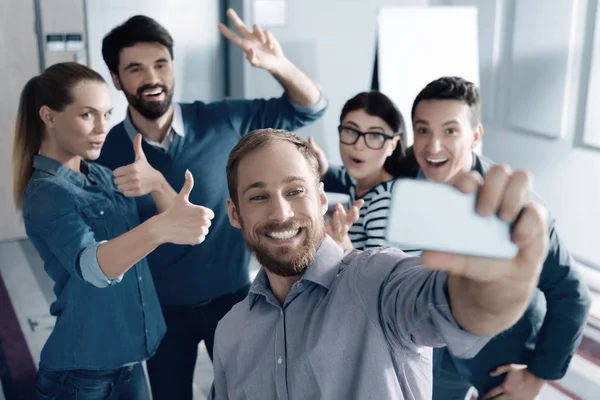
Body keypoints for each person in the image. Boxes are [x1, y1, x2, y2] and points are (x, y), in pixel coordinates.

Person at [208, 128, 549, 400]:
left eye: (295, 191)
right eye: (258, 196)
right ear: (235, 213)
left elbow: (459, 308)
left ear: (322, 199)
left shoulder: (376, 279)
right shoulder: (228, 332)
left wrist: (498, 284)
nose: (280, 212)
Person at [95, 9, 327, 399]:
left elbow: (309, 107)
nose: (152, 78)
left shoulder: (223, 120)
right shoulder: (104, 153)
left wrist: (279, 65)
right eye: (135, 69)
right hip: (160, 311)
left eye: (161, 64)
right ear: (117, 79)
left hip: (234, 299)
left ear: (172, 67)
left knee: (248, 392)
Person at [12, 62, 213, 400]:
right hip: (79, 376)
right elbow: (93, 266)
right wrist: (159, 228)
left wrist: (157, 184)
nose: (102, 128)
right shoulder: (46, 193)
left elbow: (176, 223)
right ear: (49, 117)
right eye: (87, 115)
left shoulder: (104, 176)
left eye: (107, 114)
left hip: (129, 364)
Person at [396, 76, 590, 400]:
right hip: (433, 355)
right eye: (423, 130)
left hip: (501, 353)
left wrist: (537, 376)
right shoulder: (399, 183)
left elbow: (572, 293)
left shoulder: (521, 210)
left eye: (450, 130)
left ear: (475, 135)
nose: (433, 146)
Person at [307, 91, 420, 253]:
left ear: (393, 145)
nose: (359, 145)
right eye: (351, 131)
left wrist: (343, 248)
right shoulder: (361, 185)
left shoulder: (385, 203)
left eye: (375, 135)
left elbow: (379, 277)